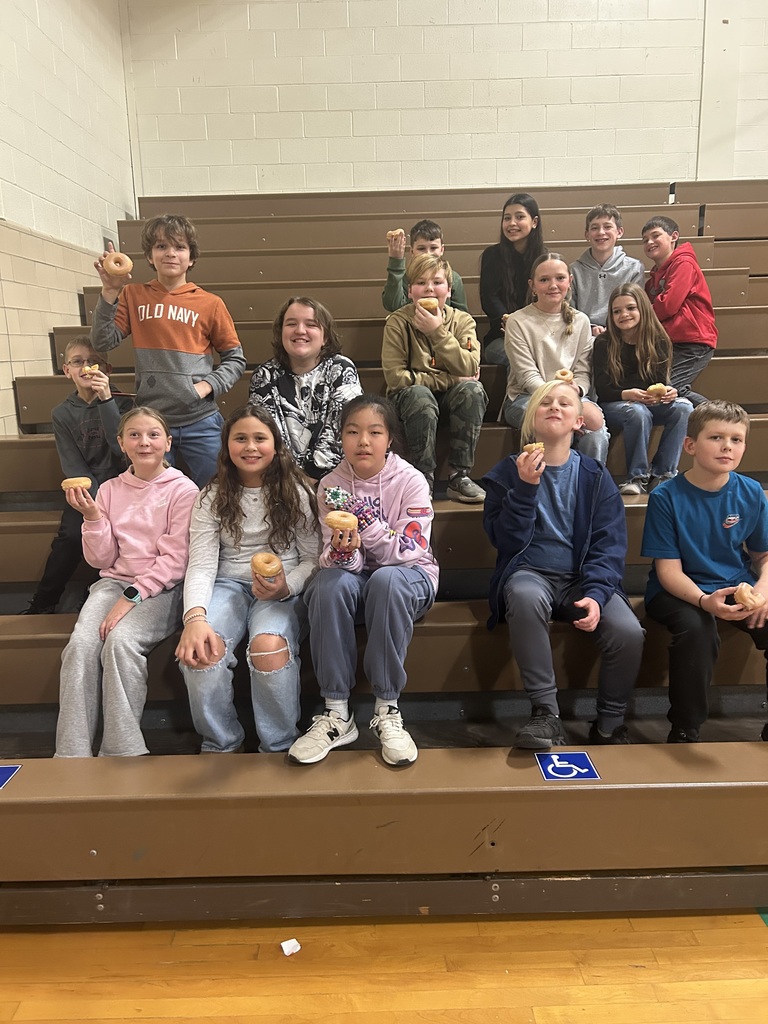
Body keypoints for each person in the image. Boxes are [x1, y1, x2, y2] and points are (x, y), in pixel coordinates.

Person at [483, 380, 644, 749]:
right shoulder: (506, 473)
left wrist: (597, 593)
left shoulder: (595, 477)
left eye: (565, 404)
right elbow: (504, 540)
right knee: (523, 596)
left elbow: (609, 546)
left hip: (582, 580)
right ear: (531, 419)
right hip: (530, 574)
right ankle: (545, 714)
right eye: (545, 403)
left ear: (579, 422)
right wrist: (525, 488)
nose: (555, 407)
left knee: (629, 633)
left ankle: (609, 722)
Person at [288, 394, 438, 767]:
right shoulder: (331, 486)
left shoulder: (412, 481)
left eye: (374, 432)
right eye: (353, 432)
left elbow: (408, 550)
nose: (363, 441)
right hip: (360, 580)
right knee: (327, 584)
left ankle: (388, 708)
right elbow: (331, 559)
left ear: (390, 439)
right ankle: (337, 713)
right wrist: (344, 551)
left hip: (410, 577)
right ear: (342, 438)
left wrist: (367, 525)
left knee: (386, 580)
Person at [176, 405, 320, 754]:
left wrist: (287, 587)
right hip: (228, 583)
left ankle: (279, 745)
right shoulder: (210, 496)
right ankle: (221, 745)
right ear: (226, 447)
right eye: (240, 438)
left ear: (276, 445)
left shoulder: (297, 491)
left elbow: (313, 558)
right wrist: (194, 617)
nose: (250, 447)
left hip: (283, 586)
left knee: (269, 647)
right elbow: (202, 564)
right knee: (201, 651)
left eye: (260, 438)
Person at [55, 408, 198, 757]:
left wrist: (131, 596)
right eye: (134, 435)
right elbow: (100, 560)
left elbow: (175, 562)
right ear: (121, 443)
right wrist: (92, 519)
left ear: (167, 442)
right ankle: (72, 752)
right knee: (80, 647)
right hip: (113, 584)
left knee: (120, 643)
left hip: (162, 589)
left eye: (152, 434)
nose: (144, 442)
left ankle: (122, 750)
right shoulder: (108, 490)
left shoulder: (184, 490)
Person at [641, 401, 768, 743]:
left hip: (735, 584)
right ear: (691, 445)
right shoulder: (666, 497)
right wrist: (704, 601)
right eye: (716, 437)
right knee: (697, 629)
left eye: (737, 439)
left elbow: (764, 556)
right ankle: (685, 725)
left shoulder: (751, 492)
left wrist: (763, 594)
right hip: (677, 592)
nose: (728, 446)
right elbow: (668, 571)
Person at [91, 214, 246, 487]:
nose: (170, 253)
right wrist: (109, 292)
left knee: (217, 490)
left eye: (179, 247)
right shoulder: (132, 294)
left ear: (191, 258)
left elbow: (235, 359)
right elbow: (103, 342)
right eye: (161, 246)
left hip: (201, 419)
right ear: (150, 257)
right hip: (152, 423)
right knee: (153, 495)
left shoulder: (210, 303)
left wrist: (206, 386)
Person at [22, 338, 133, 615]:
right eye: (78, 361)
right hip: (86, 489)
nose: (86, 367)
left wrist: (106, 399)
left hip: (125, 485)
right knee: (70, 536)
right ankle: (45, 601)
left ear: (106, 368)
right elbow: (73, 465)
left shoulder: (124, 403)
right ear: (66, 370)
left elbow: (122, 449)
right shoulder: (62, 413)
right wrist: (94, 505)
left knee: (122, 534)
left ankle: (94, 596)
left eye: (93, 361)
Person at [382, 253, 488, 502]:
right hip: (408, 401)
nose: (429, 288)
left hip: (450, 400)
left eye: (437, 282)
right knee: (420, 394)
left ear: (449, 291)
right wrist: (451, 379)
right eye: (421, 282)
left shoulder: (463, 321)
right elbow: (396, 378)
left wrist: (437, 332)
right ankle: (423, 478)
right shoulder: (397, 322)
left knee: (472, 391)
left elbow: (470, 366)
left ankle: (458, 476)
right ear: (410, 291)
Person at [502, 253, 609, 462]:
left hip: (572, 395)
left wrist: (575, 393)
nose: (553, 285)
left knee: (596, 430)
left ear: (570, 281)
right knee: (553, 425)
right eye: (544, 280)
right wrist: (562, 405)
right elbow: (528, 377)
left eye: (560, 278)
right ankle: (547, 488)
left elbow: (582, 373)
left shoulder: (581, 321)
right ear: (532, 286)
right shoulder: (517, 321)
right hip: (527, 398)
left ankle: (590, 486)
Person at [248, 296, 362, 480]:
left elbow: (342, 430)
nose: (300, 331)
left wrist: (314, 478)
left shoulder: (341, 369)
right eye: (291, 324)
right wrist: (293, 481)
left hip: (335, 477)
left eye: (311, 324)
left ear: (325, 336)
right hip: (281, 479)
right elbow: (267, 435)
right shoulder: (264, 376)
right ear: (280, 333)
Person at [594, 284, 692, 495]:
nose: (624, 315)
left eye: (630, 308)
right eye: (617, 311)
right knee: (637, 412)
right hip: (616, 404)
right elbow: (603, 390)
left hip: (648, 402)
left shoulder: (658, 340)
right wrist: (627, 394)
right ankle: (637, 477)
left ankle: (663, 474)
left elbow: (658, 381)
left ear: (642, 309)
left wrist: (668, 391)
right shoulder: (603, 342)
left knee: (685, 407)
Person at [642, 215, 717, 408]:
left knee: (672, 389)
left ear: (674, 236)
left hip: (693, 342)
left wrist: (643, 315)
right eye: (645, 240)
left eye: (655, 236)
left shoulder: (684, 263)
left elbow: (668, 305)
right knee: (661, 389)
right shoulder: (652, 280)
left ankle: (720, 418)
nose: (649, 242)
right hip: (670, 344)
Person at [480, 193, 545, 366]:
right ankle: (520, 395)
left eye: (520, 217)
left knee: (547, 357)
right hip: (500, 338)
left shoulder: (544, 258)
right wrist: (512, 324)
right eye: (507, 218)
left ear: (534, 222)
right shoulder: (492, 255)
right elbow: (489, 299)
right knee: (521, 358)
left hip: (538, 337)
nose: (512, 223)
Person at [570, 204, 645, 335]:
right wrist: (590, 328)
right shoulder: (574, 270)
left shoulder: (634, 268)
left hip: (623, 333)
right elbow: (570, 310)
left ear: (619, 232)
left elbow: (636, 310)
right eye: (594, 228)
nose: (601, 232)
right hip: (583, 334)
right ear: (587, 234)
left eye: (607, 226)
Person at [382, 218, 469, 313]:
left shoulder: (453, 278)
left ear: (442, 250)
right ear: (412, 251)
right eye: (421, 248)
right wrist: (396, 262)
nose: (428, 253)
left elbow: (462, 316)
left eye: (433, 248)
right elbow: (392, 306)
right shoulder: (403, 277)